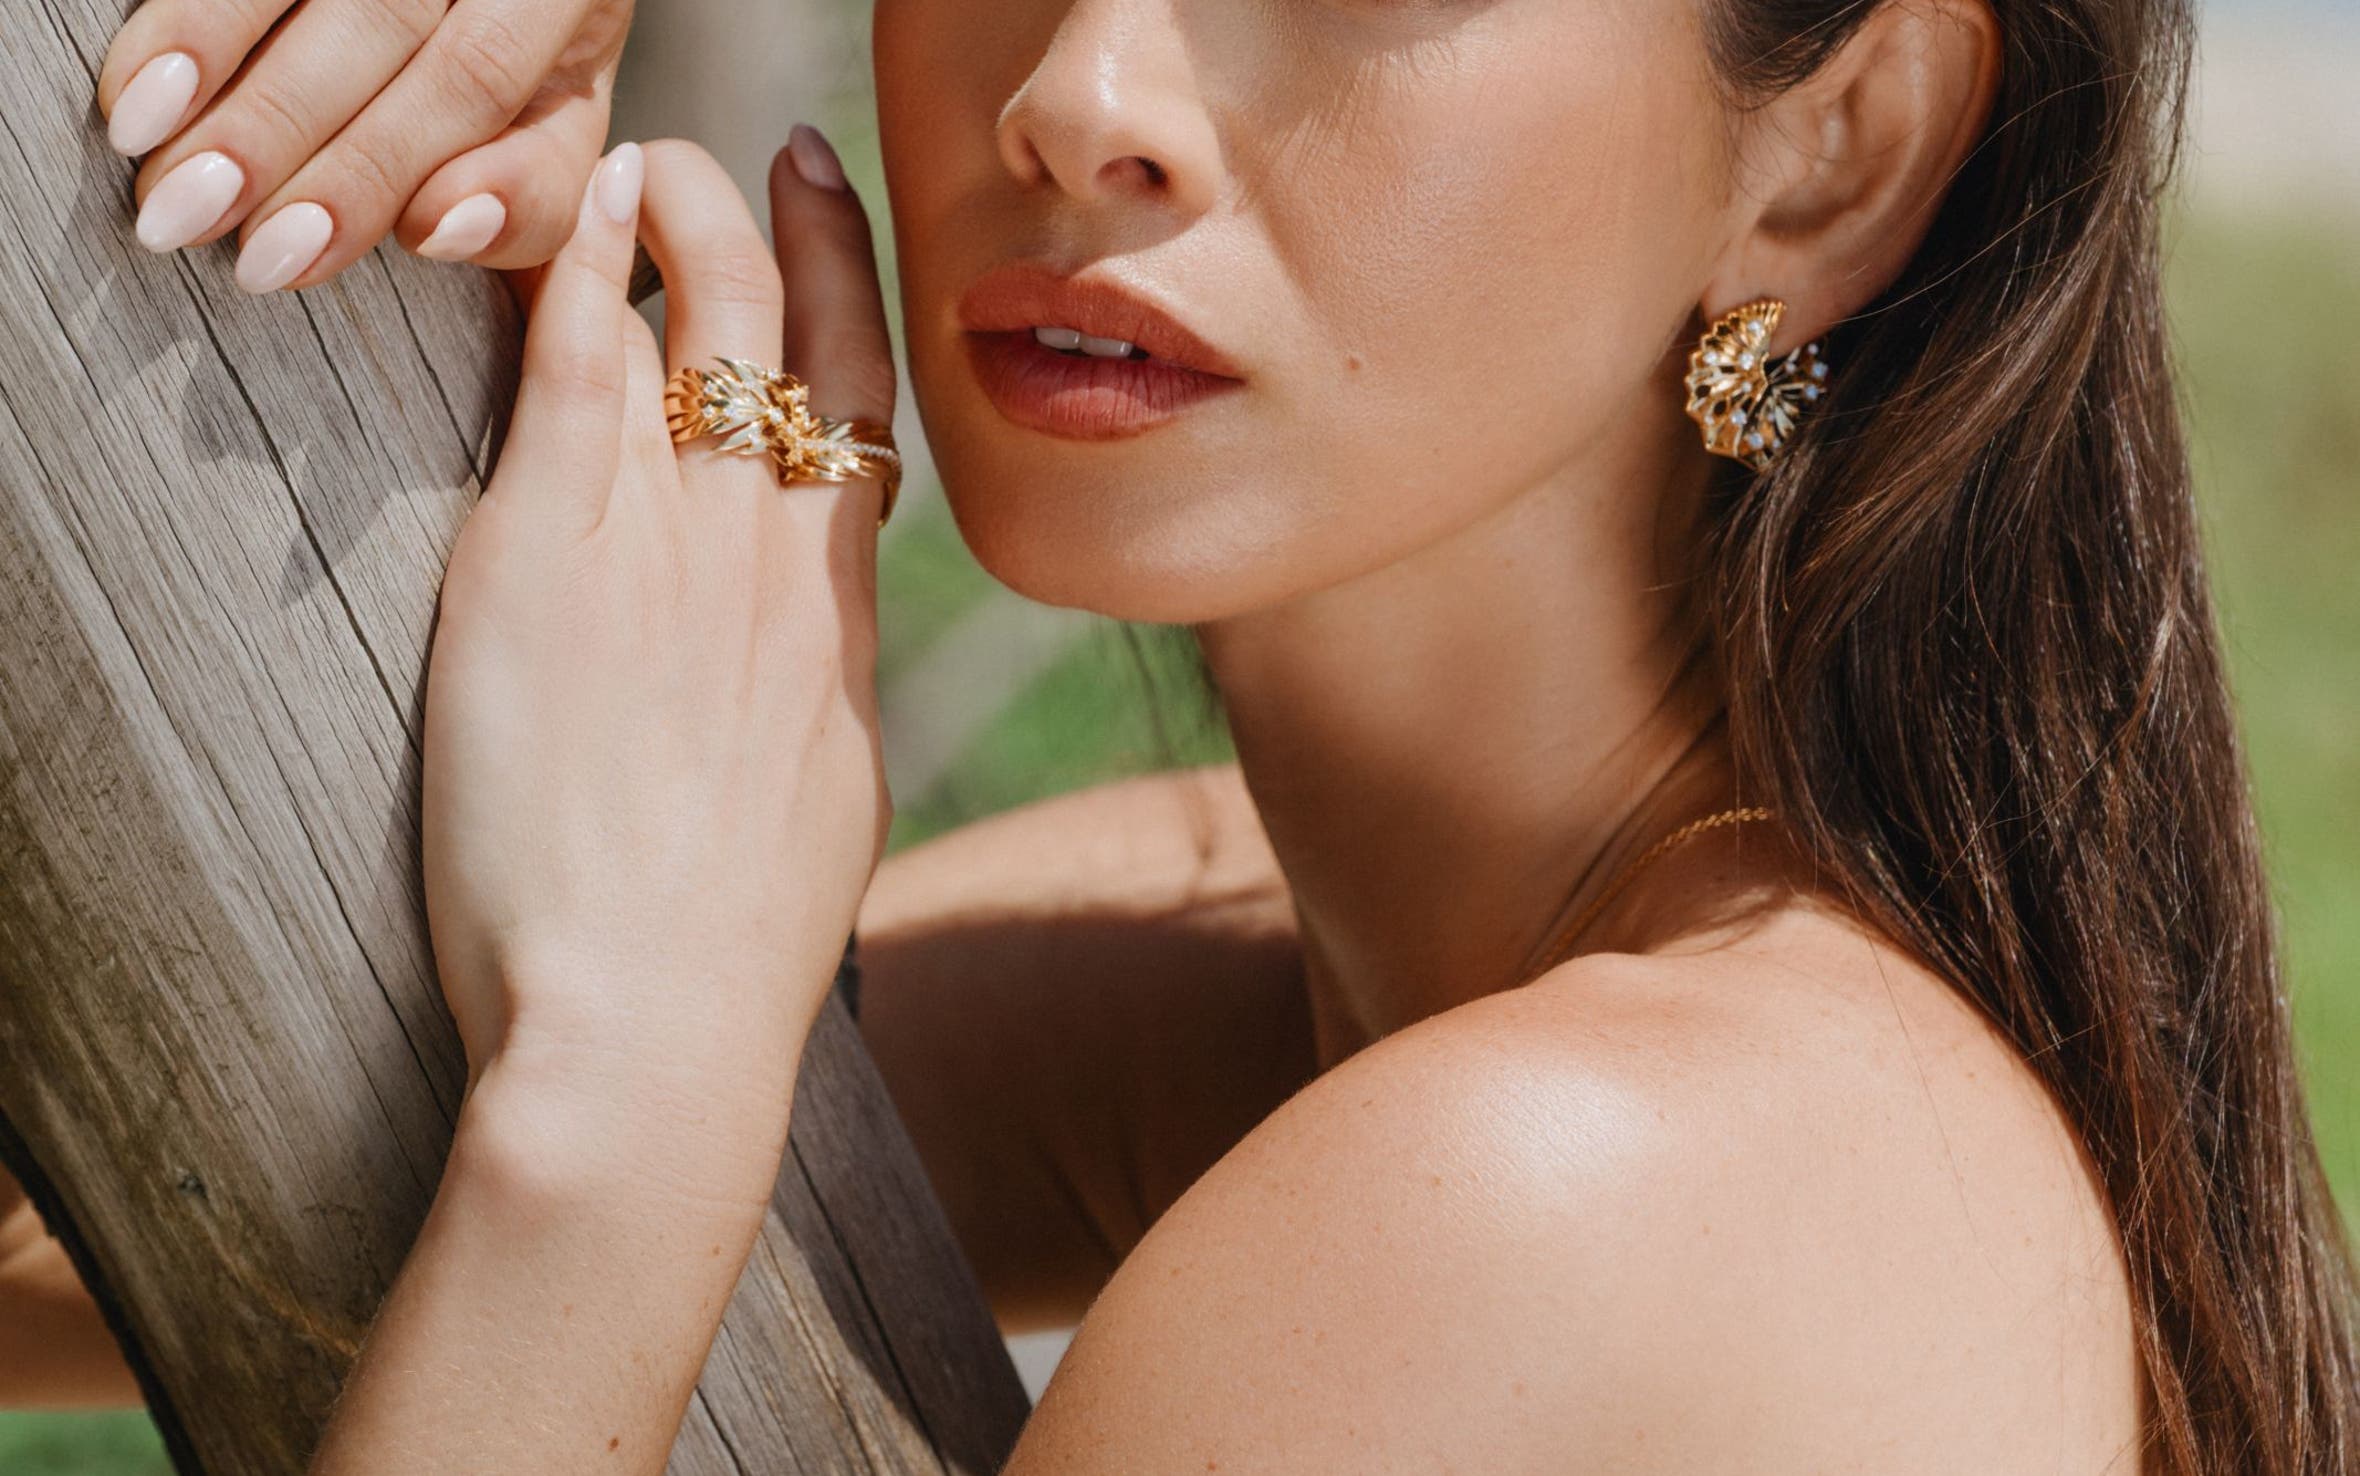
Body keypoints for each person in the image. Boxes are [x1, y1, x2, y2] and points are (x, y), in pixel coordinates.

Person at [5, 0, 2351, 1468]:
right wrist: (399, 240)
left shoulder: (1573, 1196)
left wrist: (608, 1127)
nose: (1078, 93)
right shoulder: (1307, 956)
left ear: (1829, 156)